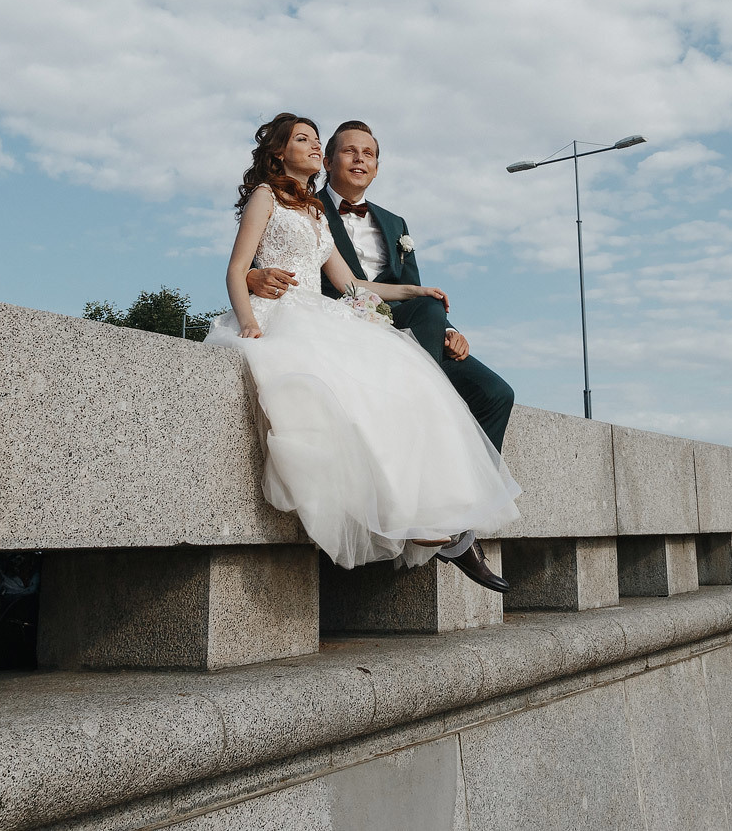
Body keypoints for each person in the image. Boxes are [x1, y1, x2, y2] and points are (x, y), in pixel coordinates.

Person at [217, 113, 519, 589]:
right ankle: (431, 521)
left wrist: (420, 294)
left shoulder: (342, 216)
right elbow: (240, 266)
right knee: (381, 398)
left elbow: (354, 284)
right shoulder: (273, 197)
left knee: (467, 392)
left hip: (363, 316)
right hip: (295, 315)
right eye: (307, 141)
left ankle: (452, 511)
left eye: (369, 153)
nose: (316, 147)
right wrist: (251, 319)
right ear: (282, 153)